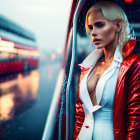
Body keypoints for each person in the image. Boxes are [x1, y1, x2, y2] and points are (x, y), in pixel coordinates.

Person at [73, 1, 140, 140]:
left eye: (99, 25)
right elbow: (80, 116)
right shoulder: (88, 66)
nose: (93, 33)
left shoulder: (132, 64)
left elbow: (135, 119)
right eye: (91, 27)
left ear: (118, 25)